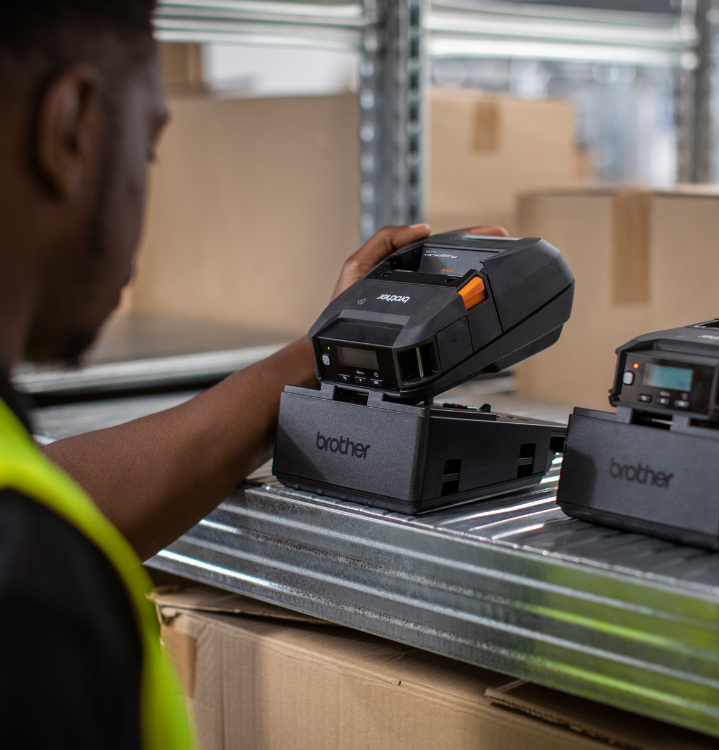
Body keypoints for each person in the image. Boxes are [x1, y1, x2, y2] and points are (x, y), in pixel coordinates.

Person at [0, 2, 505, 747]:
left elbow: (61, 497)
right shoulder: (31, 613)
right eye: (147, 148)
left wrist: (326, 350)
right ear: (72, 127)